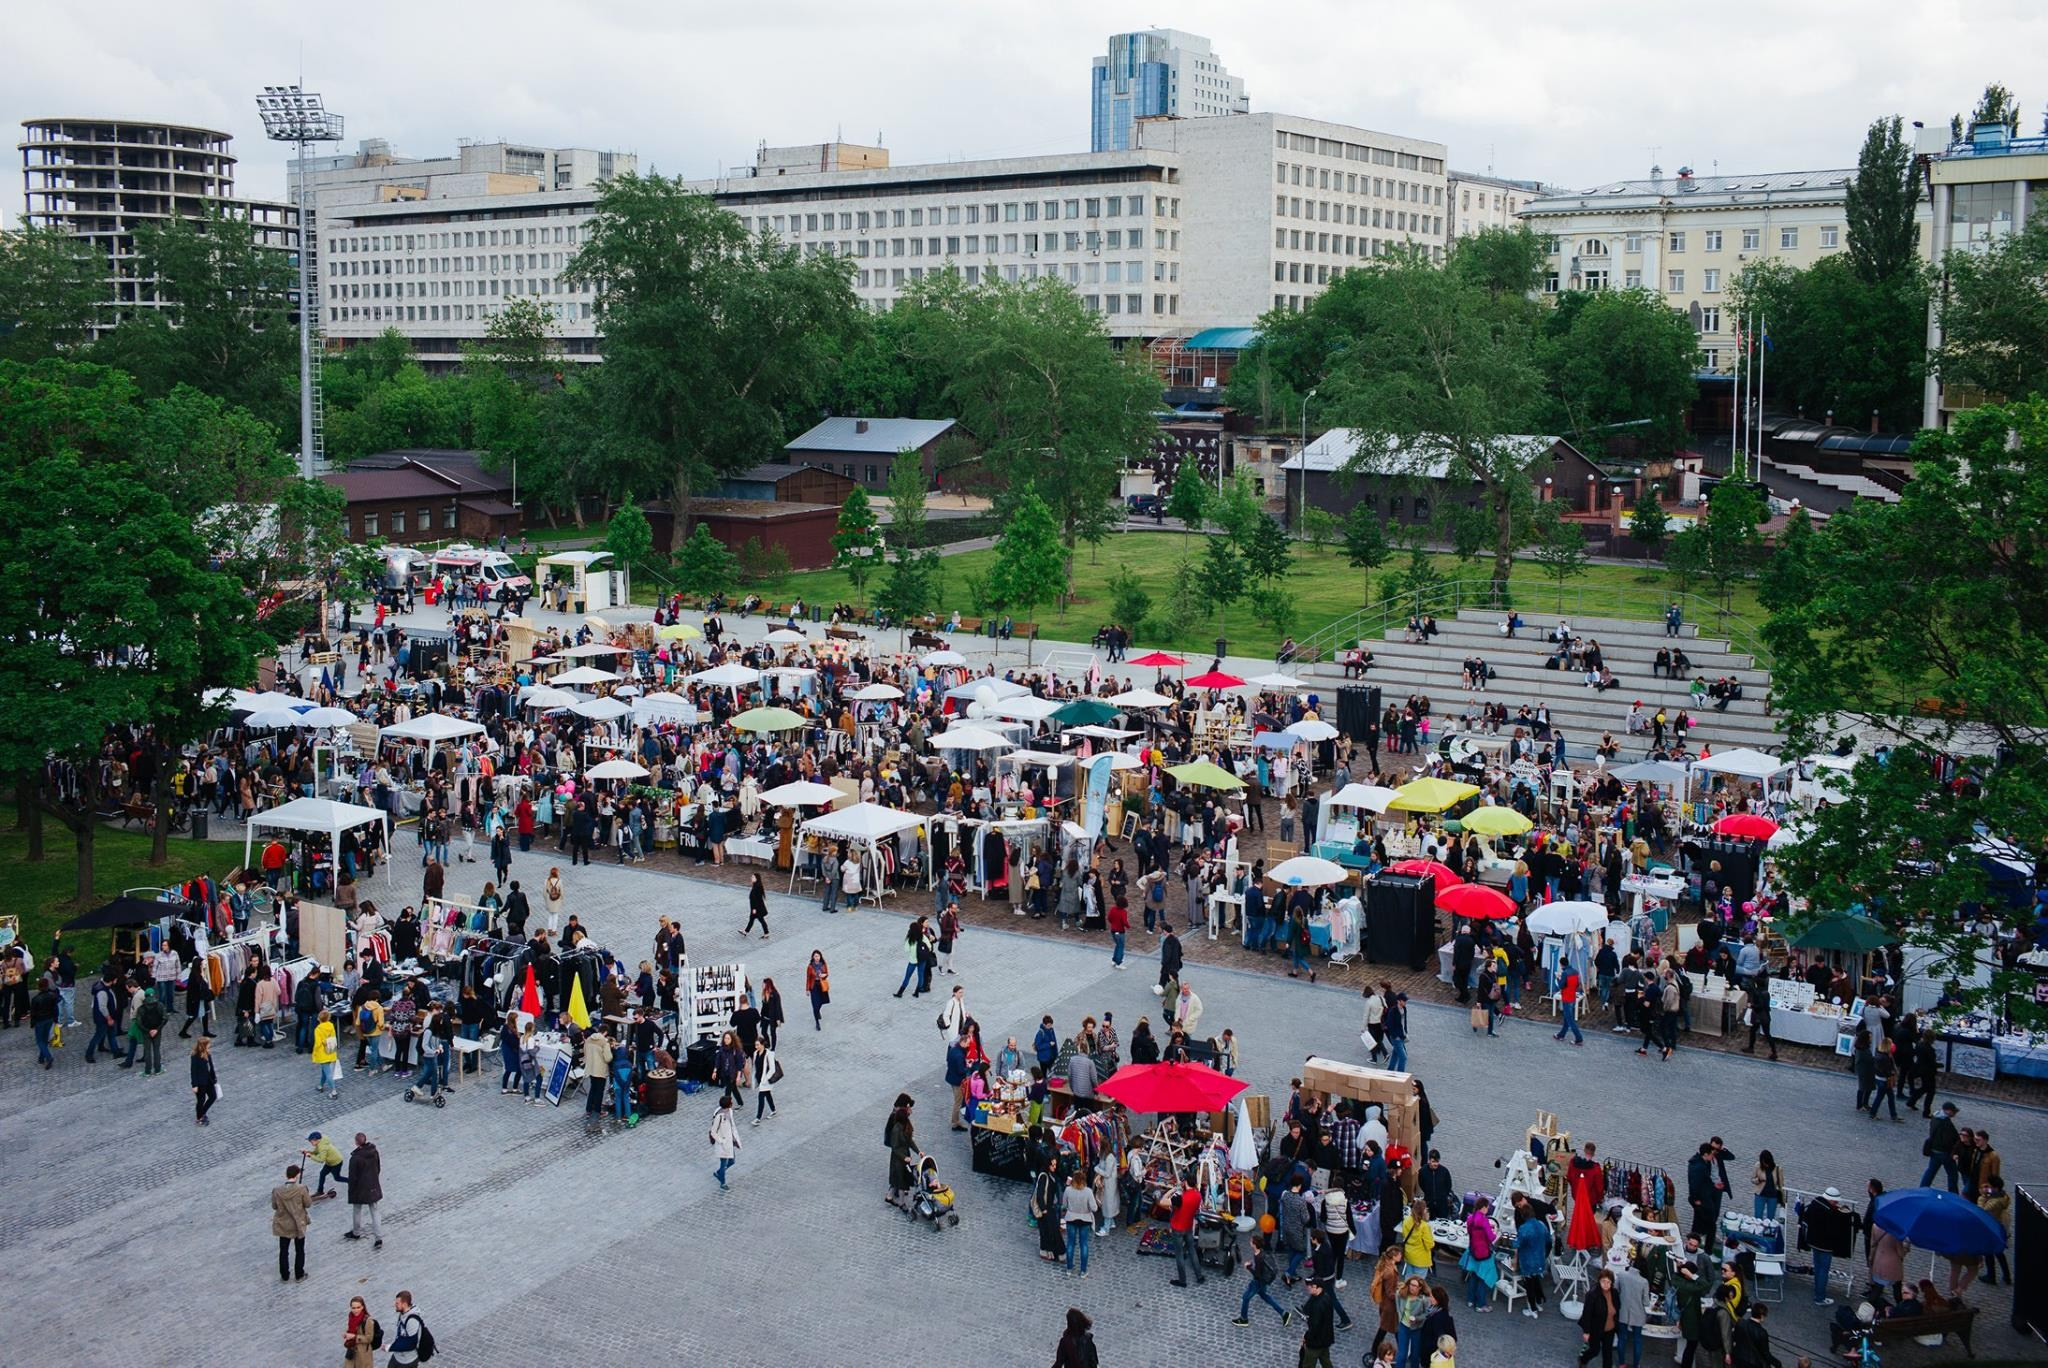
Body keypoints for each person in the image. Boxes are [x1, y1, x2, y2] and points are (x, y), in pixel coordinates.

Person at [1234, 1230, 1294, 1327]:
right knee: (1265, 1296)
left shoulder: (1258, 1257)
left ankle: (1243, 1319)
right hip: (1263, 1281)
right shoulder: (1261, 1252)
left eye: (1251, 1241)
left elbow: (1257, 1274)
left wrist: (1248, 1267)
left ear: (1254, 1244)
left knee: (1246, 1298)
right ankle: (1284, 1314)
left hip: (1258, 1282)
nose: (1249, 1242)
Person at [272, 1163, 312, 1282]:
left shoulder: (277, 1190)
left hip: (283, 1224)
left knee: (283, 1250)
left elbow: (274, 1206)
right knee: (299, 1249)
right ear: (297, 1175)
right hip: (298, 1223)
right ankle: (299, 1274)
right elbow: (308, 1204)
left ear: (286, 1175)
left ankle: (284, 1275)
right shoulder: (301, 1189)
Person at [344, 1131, 383, 1249]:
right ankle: (378, 1237)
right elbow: (378, 1167)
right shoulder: (374, 1152)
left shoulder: (355, 1158)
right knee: (375, 1211)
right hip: (373, 1185)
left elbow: (353, 1177)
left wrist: (351, 1189)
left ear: (356, 1143)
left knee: (357, 1209)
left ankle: (356, 1232)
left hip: (360, 1188)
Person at [1168, 1178, 1207, 1287]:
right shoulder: (1198, 1195)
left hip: (1178, 1228)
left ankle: (1182, 1280)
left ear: (1185, 1183)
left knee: (1179, 1254)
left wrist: (1175, 1189)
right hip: (1188, 1226)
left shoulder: (1182, 1198)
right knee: (1192, 1251)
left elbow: (1169, 1205)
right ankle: (1199, 1276)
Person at [1579, 1267, 1619, 1367]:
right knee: (1594, 1351)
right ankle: (1583, 1359)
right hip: (1596, 1329)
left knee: (1607, 1354)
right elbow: (1587, 1314)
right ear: (1599, 1281)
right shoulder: (1593, 1294)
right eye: (1603, 1281)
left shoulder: (1614, 1293)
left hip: (1610, 1329)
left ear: (1612, 1283)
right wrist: (1586, 1331)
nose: (1606, 1284)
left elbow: (1617, 1308)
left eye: (1608, 1282)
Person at [1061, 1169, 1100, 1276]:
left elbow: (1064, 1205)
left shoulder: (1068, 1190)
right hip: (1085, 1220)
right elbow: (1094, 1208)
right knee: (1084, 1244)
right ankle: (1083, 1271)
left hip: (1071, 1219)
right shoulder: (1088, 1191)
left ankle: (1069, 1269)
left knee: (1070, 1244)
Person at [1615, 1259, 1650, 1368]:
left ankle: (1621, 1363)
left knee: (1622, 1338)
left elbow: (1616, 1291)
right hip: (1638, 1314)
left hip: (1623, 1311)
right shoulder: (1644, 1281)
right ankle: (1636, 1364)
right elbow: (1646, 1302)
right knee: (1637, 1340)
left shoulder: (1621, 1275)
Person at [1298, 1276, 1338, 1368]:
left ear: (1318, 1288)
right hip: (1325, 1339)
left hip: (1315, 1343)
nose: (1309, 1288)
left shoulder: (1317, 1306)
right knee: (1326, 1361)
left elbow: (1314, 1326)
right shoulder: (1326, 1297)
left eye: (1312, 1286)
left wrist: (1306, 1337)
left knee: (1308, 1365)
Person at [709, 1093, 742, 1190]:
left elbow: (732, 1126)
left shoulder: (730, 1111)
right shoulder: (719, 1116)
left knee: (732, 1161)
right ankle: (722, 1182)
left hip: (730, 1142)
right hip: (723, 1144)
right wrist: (722, 1141)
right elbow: (713, 1132)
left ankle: (719, 1172)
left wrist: (734, 1139)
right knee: (723, 1164)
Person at [386, 1291, 427, 1368]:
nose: (395, 1305)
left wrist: (391, 1347)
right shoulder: (403, 1314)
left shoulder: (412, 1321)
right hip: (397, 1356)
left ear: (404, 1304)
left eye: (397, 1303)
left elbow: (410, 1344)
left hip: (408, 1361)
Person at [304, 1131, 347, 1200]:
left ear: (316, 1140)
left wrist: (310, 1156)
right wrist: (309, 1152)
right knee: (322, 1174)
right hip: (330, 1162)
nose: (310, 1142)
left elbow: (321, 1160)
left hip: (336, 1163)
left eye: (310, 1141)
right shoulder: (320, 1142)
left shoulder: (323, 1147)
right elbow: (316, 1151)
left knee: (337, 1178)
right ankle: (320, 1191)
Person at [189, 1036, 219, 1126]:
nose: (210, 1045)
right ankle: (199, 1117)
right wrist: (194, 1085)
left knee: (213, 1096)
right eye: (208, 1044)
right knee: (201, 1100)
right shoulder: (195, 1057)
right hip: (200, 1083)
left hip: (209, 1080)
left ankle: (203, 1112)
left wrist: (214, 1079)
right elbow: (193, 1072)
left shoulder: (207, 1054)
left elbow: (211, 1067)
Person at [312, 1009, 341, 1099]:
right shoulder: (331, 1025)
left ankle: (333, 1091)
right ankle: (320, 1085)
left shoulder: (318, 1029)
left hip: (322, 1053)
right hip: (331, 1050)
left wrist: (314, 1052)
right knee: (325, 1070)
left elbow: (317, 1043)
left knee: (328, 1072)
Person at [343, 1296, 379, 1368]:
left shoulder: (368, 1321)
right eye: (353, 1308)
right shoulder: (351, 1317)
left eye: (358, 1307)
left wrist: (354, 1337)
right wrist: (347, 1334)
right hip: (352, 1350)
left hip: (363, 1354)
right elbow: (352, 1330)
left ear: (362, 1307)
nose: (356, 1310)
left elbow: (369, 1338)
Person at [751, 1035, 779, 1125]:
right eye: (755, 1045)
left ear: (763, 1045)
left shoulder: (769, 1054)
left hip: (765, 1080)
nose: (756, 1047)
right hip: (759, 1078)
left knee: (761, 1097)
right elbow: (755, 1066)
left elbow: (772, 1069)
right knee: (767, 1094)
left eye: (758, 1045)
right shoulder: (756, 1053)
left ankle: (758, 1118)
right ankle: (773, 1110)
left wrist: (766, 1078)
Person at [805, 951, 830, 1030]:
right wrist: (807, 989)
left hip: (821, 985)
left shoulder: (823, 964)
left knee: (822, 1001)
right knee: (815, 1004)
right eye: (815, 956)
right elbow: (808, 978)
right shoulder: (810, 966)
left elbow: (827, 973)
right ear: (813, 957)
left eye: (818, 956)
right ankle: (817, 1023)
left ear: (820, 957)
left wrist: (824, 975)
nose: (817, 958)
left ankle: (818, 1010)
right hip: (814, 986)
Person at [741, 873, 770, 939]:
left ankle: (766, 933)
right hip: (756, 908)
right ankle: (745, 931)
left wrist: (754, 909)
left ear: (757, 879)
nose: (751, 878)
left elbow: (757, 899)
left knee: (760, 920)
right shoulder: (756, 885)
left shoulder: (757, 887)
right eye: (752, 877)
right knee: (752, 919)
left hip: (757, 908)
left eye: (753, 877)